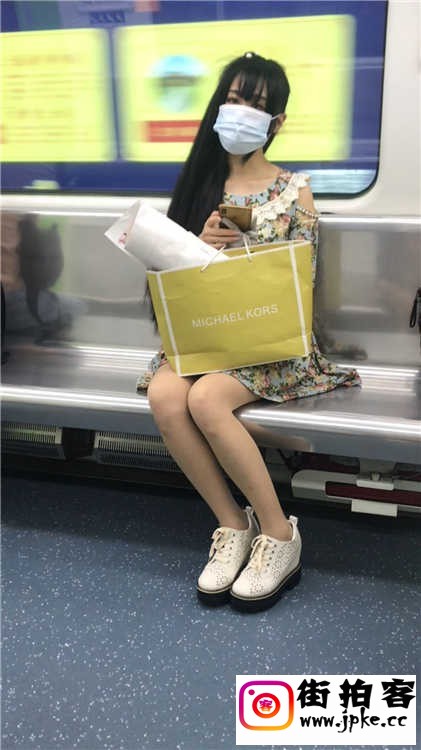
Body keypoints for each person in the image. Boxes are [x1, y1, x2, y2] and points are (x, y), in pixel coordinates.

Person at [136, 52, 361, 612]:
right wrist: (197, 249)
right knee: (166, 395)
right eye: (234, 99)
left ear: (275, 122)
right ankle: (233, 525)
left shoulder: (293, 188)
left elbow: (300, 281)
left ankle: (280, 534)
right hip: (207, 332)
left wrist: (249, 250)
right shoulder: (198, 184)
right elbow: (166, 283)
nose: (240, 111)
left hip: (270, 340)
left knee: (207, 398)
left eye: (255, 104)